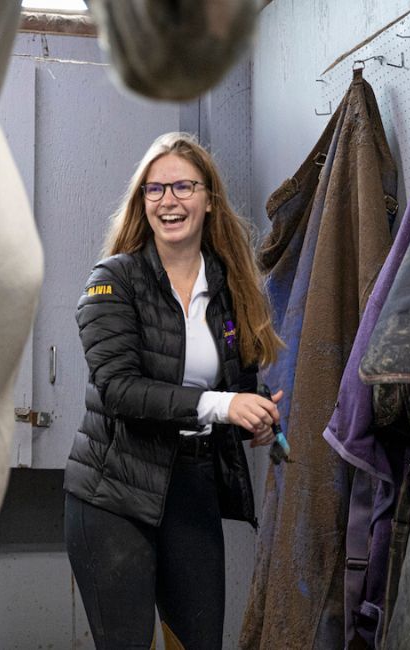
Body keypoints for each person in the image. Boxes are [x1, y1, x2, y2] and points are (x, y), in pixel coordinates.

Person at [64, 131, 284, 649]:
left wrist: (254, 415)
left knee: (198, 642)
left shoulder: (230, 286)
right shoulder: (113, 282)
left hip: (192, 482)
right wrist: (222, 405)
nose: (169, 201)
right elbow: (119, 389)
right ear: (142, 202)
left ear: (209, 199)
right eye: (155, 190)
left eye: (183, 187)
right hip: (112, 490)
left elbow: (237, 378)